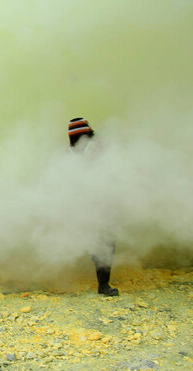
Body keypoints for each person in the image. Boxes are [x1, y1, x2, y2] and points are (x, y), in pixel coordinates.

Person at [68, 118, 119, 296]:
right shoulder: (71, 154)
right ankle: (101, 284)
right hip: (80, 207)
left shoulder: (98, 149)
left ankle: (103, 284)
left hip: (100, 206)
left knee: (104, 243)